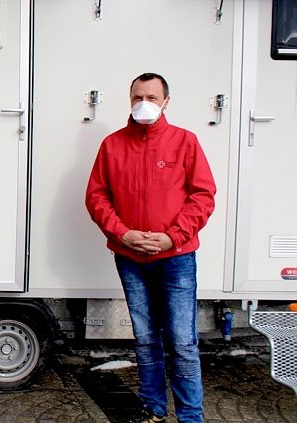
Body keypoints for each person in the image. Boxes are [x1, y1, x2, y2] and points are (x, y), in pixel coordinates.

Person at [85, 72, 216, 423]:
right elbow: (97, 197)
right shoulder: (112, 146)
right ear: (129, 101)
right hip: (130, 258)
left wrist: (174, 236)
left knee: (182, 342)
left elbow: (203, 196)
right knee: (145, 338)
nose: (144, 103)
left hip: (176, 257)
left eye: (152, 97)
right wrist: (122, 233)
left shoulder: (185, 142)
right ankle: (154, 409)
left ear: (166, 101)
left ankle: (191, 417)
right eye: (137, 97)